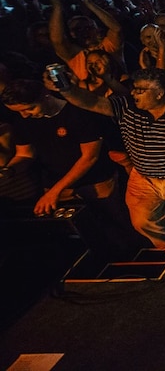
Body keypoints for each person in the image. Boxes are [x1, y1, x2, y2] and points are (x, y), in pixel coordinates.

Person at [50, 67, 165, 252]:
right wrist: (66, 89)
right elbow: (91, 102)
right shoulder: (126, 106)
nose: (133, 93)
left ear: (159, 93)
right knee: (142, 221)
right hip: (143, 177)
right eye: (134, 88)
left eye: (140, 90)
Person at [1, 79, 142, 257]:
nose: (25, 115)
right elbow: (25, 154)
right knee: (81, 234)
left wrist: (54, 191)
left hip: (96, 182)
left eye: (29, 108)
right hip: (56, 185)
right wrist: (9, 170)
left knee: (117, 226)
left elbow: (89, 157)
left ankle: (134, 260)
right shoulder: (23, 120)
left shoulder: (77, 111)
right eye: (19, 111)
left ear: (44, 95)